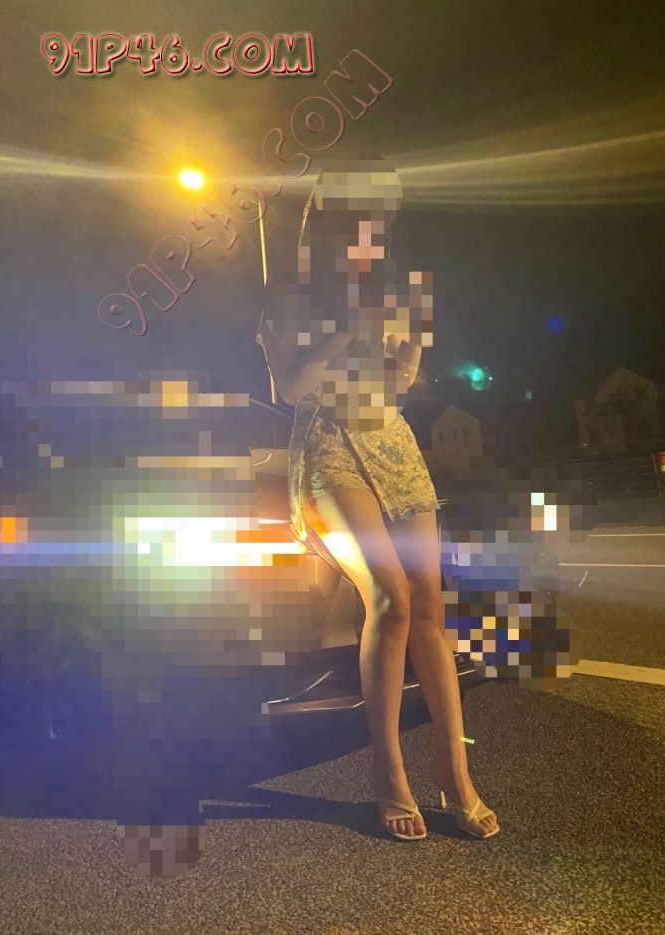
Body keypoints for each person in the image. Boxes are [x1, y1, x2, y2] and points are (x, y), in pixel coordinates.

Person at [256, 156, 499, 841]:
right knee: (390, 595)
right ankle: (388, 771)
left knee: (429, 601)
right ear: (326, 227)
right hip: (329, 446)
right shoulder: (291, 296)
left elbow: (401, 381)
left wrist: (404, 347)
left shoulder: (397, 290)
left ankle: (454, 771)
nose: (368, 238)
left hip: (390, 439)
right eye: (356, 224)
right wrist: (347, 329)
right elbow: (292, 387)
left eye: (377, 225)